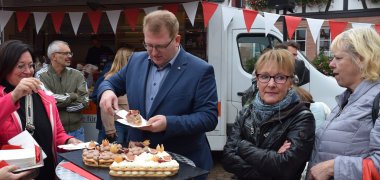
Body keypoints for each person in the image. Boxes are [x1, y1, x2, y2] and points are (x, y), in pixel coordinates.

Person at [98, 10, 218, 173]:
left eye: (160, 46)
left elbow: (209, 118)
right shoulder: (135, 60)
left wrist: (169, 123)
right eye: (149, 45)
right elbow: (111, 82)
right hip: (138, 161)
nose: (154, 53)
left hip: (180, 164)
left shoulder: (200, 70)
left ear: (176, 40)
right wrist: (106, 91)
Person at [221, 49, 315, 180]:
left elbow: (285, 168)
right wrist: (272, 161)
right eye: (265, 77)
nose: (271, 84)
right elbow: (227, 158)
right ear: (257, 81)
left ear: (290, 82)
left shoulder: (302, 117)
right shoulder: (246, 112)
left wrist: (242, 146)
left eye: (280, 77)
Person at [0, 40, 81, 179]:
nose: (28, 71)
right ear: (5, 67)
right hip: (12, 175)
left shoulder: (44, 97)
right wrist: (14, 95)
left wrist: (69, 141)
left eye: (31, 66)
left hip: (47, 172)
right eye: (20, 66)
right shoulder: (5, 96)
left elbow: (57, 133)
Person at [307, 27, 380, 180]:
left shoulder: (376, 100)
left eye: (338, 58)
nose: (331, 64)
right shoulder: (347, 99)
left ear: (361, 59)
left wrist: (332, 168)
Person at [36, 40, 89, 142]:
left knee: (77, 158)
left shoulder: (77, 75)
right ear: (53, 56)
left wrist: (60, 106)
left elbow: (85, 101)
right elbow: (47, 101)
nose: (69, 56)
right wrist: (72, 96)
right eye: (65, 53)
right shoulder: (41, 76)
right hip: (53, 132)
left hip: (77, 131)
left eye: (70, 53)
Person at [91, 47, 133, 144]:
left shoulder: (130, 77)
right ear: (125, 59)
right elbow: (105, 105)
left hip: (129, 123)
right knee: (115, 153)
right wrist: (110, 129)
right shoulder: (111, 79)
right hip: (117, 124)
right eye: (131, 59)